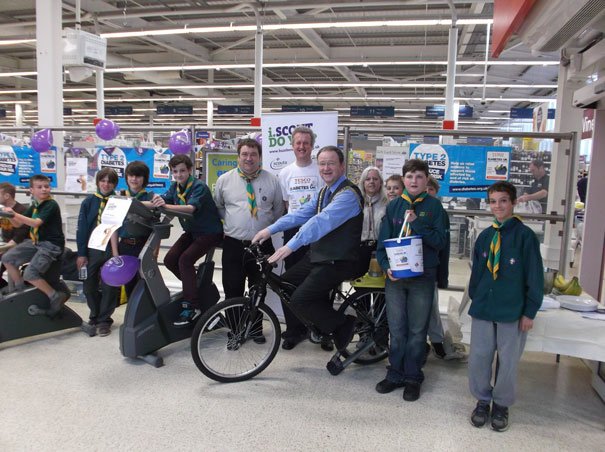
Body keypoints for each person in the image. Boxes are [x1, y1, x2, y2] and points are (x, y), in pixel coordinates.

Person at [252, 145, 362, 352]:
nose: (326, 168)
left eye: (331, 163)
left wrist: (290, 246)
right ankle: (313, 327)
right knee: (285, 284)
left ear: (342, 166)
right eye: (322, 163)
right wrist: (269, 230)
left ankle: (342, 324)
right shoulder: (324, 192)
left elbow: (320, 221)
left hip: (339, 259)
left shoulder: (347, 195)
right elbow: (300, 214)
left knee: (300, 299)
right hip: (319, 256)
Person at [467, 181, 543, 432]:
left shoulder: (525, 237)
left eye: (503, 201)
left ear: (513, 203)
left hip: (512, 309)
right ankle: (483, 399)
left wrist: (529, 311)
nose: (497, 206)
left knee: (508, 360)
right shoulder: (486, 236)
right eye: (493, 201)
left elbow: (534, 277)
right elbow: (477, 274)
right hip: (484, 308)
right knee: (479, 357)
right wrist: (475, 300)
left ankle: (501, 404)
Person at [375, 159, 448, 401]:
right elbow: (382, 244)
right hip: (396, 278)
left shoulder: (435, 208)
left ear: (426, 179)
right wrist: (386, 268)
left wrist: (417, 224)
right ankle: (395, 372)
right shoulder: (394, 206)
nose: (414, 181)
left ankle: (413, 376)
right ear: (403, 179)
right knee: (396, 330)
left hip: (422, 277)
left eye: (419, 176)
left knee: (417, 330)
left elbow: (439, 242)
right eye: (409, 176)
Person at [214, 138, 283, 335]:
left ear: (260, 157)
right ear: (238, 157)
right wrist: (234, 222)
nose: (249, 158)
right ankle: (235, 329)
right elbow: (219, 207)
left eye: (253, 154)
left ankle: (255, 329)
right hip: (234, 245)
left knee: (258, 290)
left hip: (262, 245)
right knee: (232, 288)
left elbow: (278, 212)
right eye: (244, 154)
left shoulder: (272, 181)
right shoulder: (224, 180)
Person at [151, 154, 223, 327]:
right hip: (192, 232)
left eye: (182, 171)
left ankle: (193, 305)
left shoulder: (199, 187)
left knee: (185, 260)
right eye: (175, 171)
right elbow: (160, 202)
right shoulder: (175, 187)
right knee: (169, 260)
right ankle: (197, 289)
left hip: (209, 232)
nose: (178, 175)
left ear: (190, 170)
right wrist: (134, 204)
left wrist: (164, 206)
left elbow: (190, 209)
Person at [277, 126, 330, 350]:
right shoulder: (285, 173)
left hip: (318, 233)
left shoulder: (321, 171)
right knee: (289, 283)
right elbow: (287, 206)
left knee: (321, 282)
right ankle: (294, 330)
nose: (301, 146)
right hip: (293, 234)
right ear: (292, 145)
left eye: (306, 143)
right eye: (298, 142)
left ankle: (325, 331)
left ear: (312, 146)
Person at [1, 175, 66, 315]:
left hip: (51, 245)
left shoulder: (50, 204)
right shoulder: (35, 205)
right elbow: (18, 224)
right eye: (39, 187)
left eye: (46, 186)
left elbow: (35, 223)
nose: (44, 189)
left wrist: (13, 214)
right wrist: (10, 216)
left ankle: (54, 295)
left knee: (30, 274)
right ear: (31, 190)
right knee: (7, 259)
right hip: (36, 242)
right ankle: (20, 292)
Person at [76, 168, 120, 336]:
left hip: (110, 247)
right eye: (103, 180)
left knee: (110, 285)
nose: (106, 184)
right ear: (98, 182)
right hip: (92, 249)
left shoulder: (118, 201)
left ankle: (104, 320)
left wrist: (116, 252)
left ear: (114, 184)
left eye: (110, 181)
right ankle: (94, 314)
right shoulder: (88, 202)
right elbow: (82, 228)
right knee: (89, 286)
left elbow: (118, 226)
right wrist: (81, 253)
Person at [115, 161, 155, 298]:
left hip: (144, 246)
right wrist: (115, 252)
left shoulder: (151, 197)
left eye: (138, 176)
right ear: (126, 177)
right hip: (124, 245)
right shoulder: (118, 196)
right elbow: (113, 226)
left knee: (146, 281)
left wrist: (155, 251)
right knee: (129, 282)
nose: (134, 179)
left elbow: (157, 227)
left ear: (145, 178)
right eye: (131, 175)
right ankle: (132, 314)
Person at [425, 176, 451, 359]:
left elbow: (445, 246)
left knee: (432, 307)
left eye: (431, 189)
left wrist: (443, 276)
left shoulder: (440, 213)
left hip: (432, 269)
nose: (427, 193)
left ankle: (436, 340)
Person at [355, 166, 388, 279]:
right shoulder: (356, 202)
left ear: (381, 182)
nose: (371, 182)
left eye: (375, 179)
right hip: (360, 249)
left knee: (379, 285)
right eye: (368, 179)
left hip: (381, 249)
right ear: (363, 182)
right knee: (361, 287)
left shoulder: (387, 203)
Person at [0, 182, 29, 289]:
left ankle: (17, 289)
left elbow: (19, 237)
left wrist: (3, 248)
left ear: (7, 196)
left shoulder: (22, 211)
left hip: (19, 246)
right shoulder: (2, 210)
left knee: (5, 258)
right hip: (7, 245)